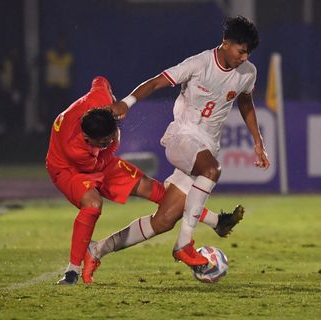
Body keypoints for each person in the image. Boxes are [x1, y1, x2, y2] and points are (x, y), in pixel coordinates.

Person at [104, 16, 270, 269]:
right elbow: (156, 82)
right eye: (241, 51)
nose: (245, 57)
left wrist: (258, 142)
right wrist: (126, 103)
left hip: (205, 148)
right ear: (226, 43)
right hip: (182, 138)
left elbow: (245, 101)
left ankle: (97, 249)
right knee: (212, 170)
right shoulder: (199, 64)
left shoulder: (248, 73)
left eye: (248, 53)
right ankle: (184, 245)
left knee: (163, 221)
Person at [47, 76, 243, 285]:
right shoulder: (75, 148)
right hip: (68, 169)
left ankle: (217, 222)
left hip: (102, 162)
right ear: (88, 139)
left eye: (111, 136)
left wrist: (114, 100)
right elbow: (101, 159)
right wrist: (113, 142)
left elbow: (100, 81)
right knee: (93, 205)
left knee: (166, 199)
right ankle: (72, 271)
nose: (110, 142)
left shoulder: (100, 100)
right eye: (104, 142)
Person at [41, 36, 74, 127]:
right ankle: (49, 129)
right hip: (51, 87)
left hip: (63, 88)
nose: (61, 46)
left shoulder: (69, 57)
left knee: (63, 111)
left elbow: (72, 72)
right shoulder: (50, 55)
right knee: (50, 111)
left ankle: (62, 129)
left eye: (63, 44)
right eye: (60, 43)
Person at [0, 46, 27, 134]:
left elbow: (23, 78)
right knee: (8, 111)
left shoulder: (19, 64)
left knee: (17, 111)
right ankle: (9, 129)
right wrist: (7, 88)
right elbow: (3, 77)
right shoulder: (6, 63)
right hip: (8, 91)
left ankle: (18, 129)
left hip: (17, 92)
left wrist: (20, 91)